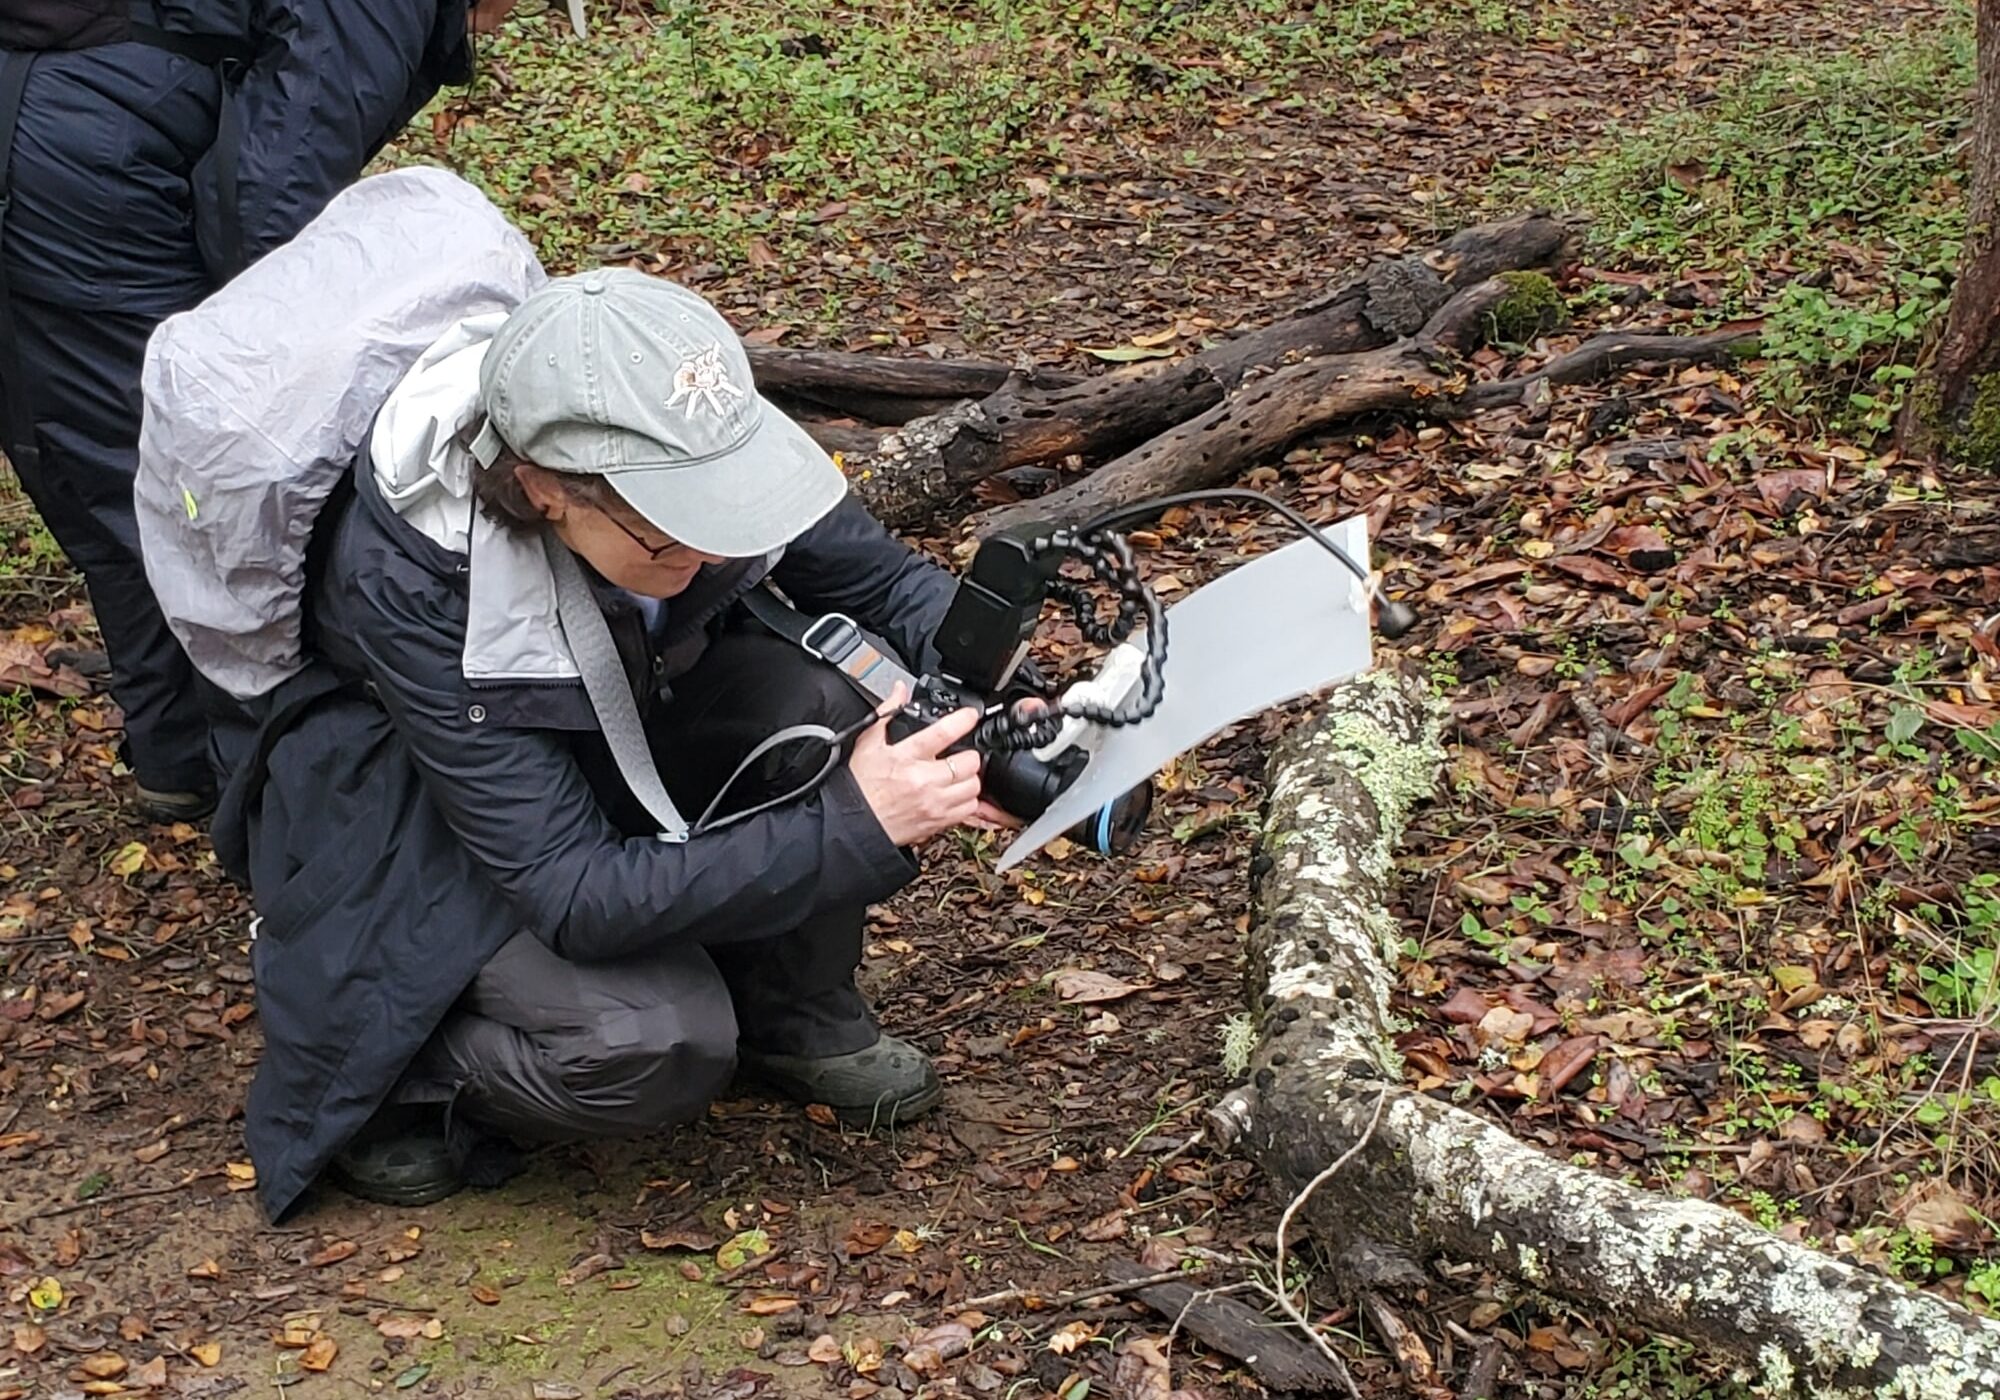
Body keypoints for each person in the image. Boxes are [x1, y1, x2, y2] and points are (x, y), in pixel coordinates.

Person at [220, 268, 1002, 1220]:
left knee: (821, 697)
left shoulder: (694, 439)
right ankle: (400, 1062)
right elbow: (572, 892)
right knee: (654, 1041)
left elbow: (885, 587)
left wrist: (1009, 701)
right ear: (545, 489)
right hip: (432, 801)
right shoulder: (415, 576)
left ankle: (791, 1012)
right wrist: (857, 819)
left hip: (622, 700)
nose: (714, 553)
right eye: (675, 540)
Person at [0, 0, 537, 821]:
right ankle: (252, 780)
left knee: (94, 453)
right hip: (92, 172)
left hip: (50, 126)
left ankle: (177, 752)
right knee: (181, 469)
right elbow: (271, 202)